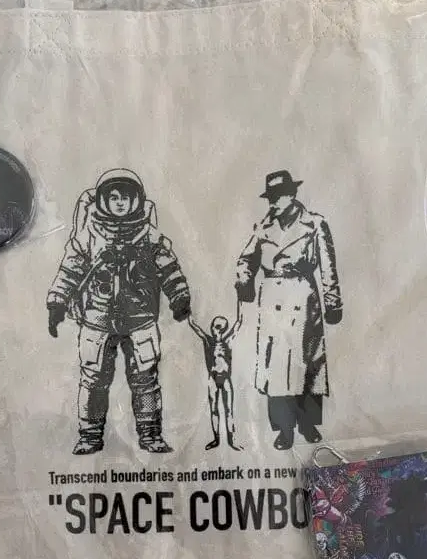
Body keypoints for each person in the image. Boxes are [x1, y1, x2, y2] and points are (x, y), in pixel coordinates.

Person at [46, 169, 191, 455]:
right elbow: (70, 269)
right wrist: (57, 303)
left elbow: (169, 268)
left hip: (140, 320)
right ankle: (90, 436)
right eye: (113, 198)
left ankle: (150, 435)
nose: (120, 203)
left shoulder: (149, 235)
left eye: (126, 198)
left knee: (145, 380)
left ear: (137, 200)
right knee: (93, 380)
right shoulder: (89, 236)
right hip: (97, 320)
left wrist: (180, 297)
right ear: (103, 201)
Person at [235, 170, 343, 450]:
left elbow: (328, 267)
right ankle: (284, 430)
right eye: (270, 197)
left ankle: (308, 424)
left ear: (292, 195)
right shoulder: (263, 228)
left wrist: (333, 302)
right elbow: (246, 259)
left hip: (303, 297)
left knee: (308, 364)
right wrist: (244, 282)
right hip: (272, 300)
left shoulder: (315, 224)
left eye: (278, 196)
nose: (272, 202)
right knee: (275, 367)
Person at [188, 301, 242, 451]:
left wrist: (240, 300)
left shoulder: (227, 341)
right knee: (214, 410)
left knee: (229, 410)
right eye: (213, 325)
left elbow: (239, 322)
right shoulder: (208, 341)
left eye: (217, 327)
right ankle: (216, 439)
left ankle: (232, 440)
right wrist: (187, 306)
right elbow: (193, 325)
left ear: (223, 329)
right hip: (212, 379)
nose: (213, 329)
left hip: (225, 380)